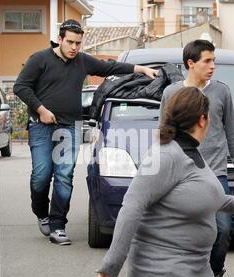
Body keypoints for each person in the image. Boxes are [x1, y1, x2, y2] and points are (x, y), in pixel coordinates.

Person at [96, 87, 234, 277]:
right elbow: (132, 206)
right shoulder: (164, 156)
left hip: (197, 272)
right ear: (203, 120)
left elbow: (198, 195)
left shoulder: (190, 151)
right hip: (165, 275)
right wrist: (112, 263)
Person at [13, 19, 158, 245]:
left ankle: (58, 225)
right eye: (70, 42)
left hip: (70, 126)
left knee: (64, 176)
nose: (74, 47)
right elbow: (20, 87)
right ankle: (42, 213)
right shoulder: (39, 59)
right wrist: (41, 110)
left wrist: (141, 69)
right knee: (41, 176)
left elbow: (109, 68)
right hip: (41, 126)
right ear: (60, 39)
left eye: (78, 43)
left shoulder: (81, 61)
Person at [158, 40, 234, 277]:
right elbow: (164, 133)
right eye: (207, 61)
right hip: (180, 174)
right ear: (191, 63)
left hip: (216, 173)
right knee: (183, 230)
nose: (213, 66)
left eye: (213, 60)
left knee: (222, 229)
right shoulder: (171, 93)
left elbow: (231, 130)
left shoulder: (221, 92)